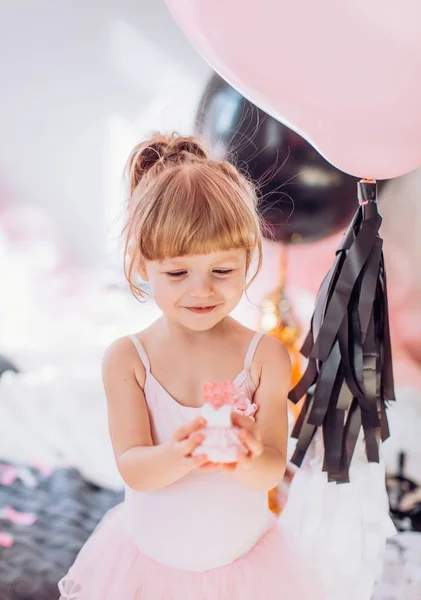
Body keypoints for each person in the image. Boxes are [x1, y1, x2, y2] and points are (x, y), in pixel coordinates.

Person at [58, 133, 324, 599]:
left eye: (222, 271)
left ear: (249, 261)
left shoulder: (263, 357)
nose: (201, 291)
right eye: (178, 273)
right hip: (149, 569)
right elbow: (134, 468)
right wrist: (181, 454)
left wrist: (244, 457)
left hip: (244, 570)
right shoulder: (128, 359)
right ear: (143, 264)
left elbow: (270, 470)